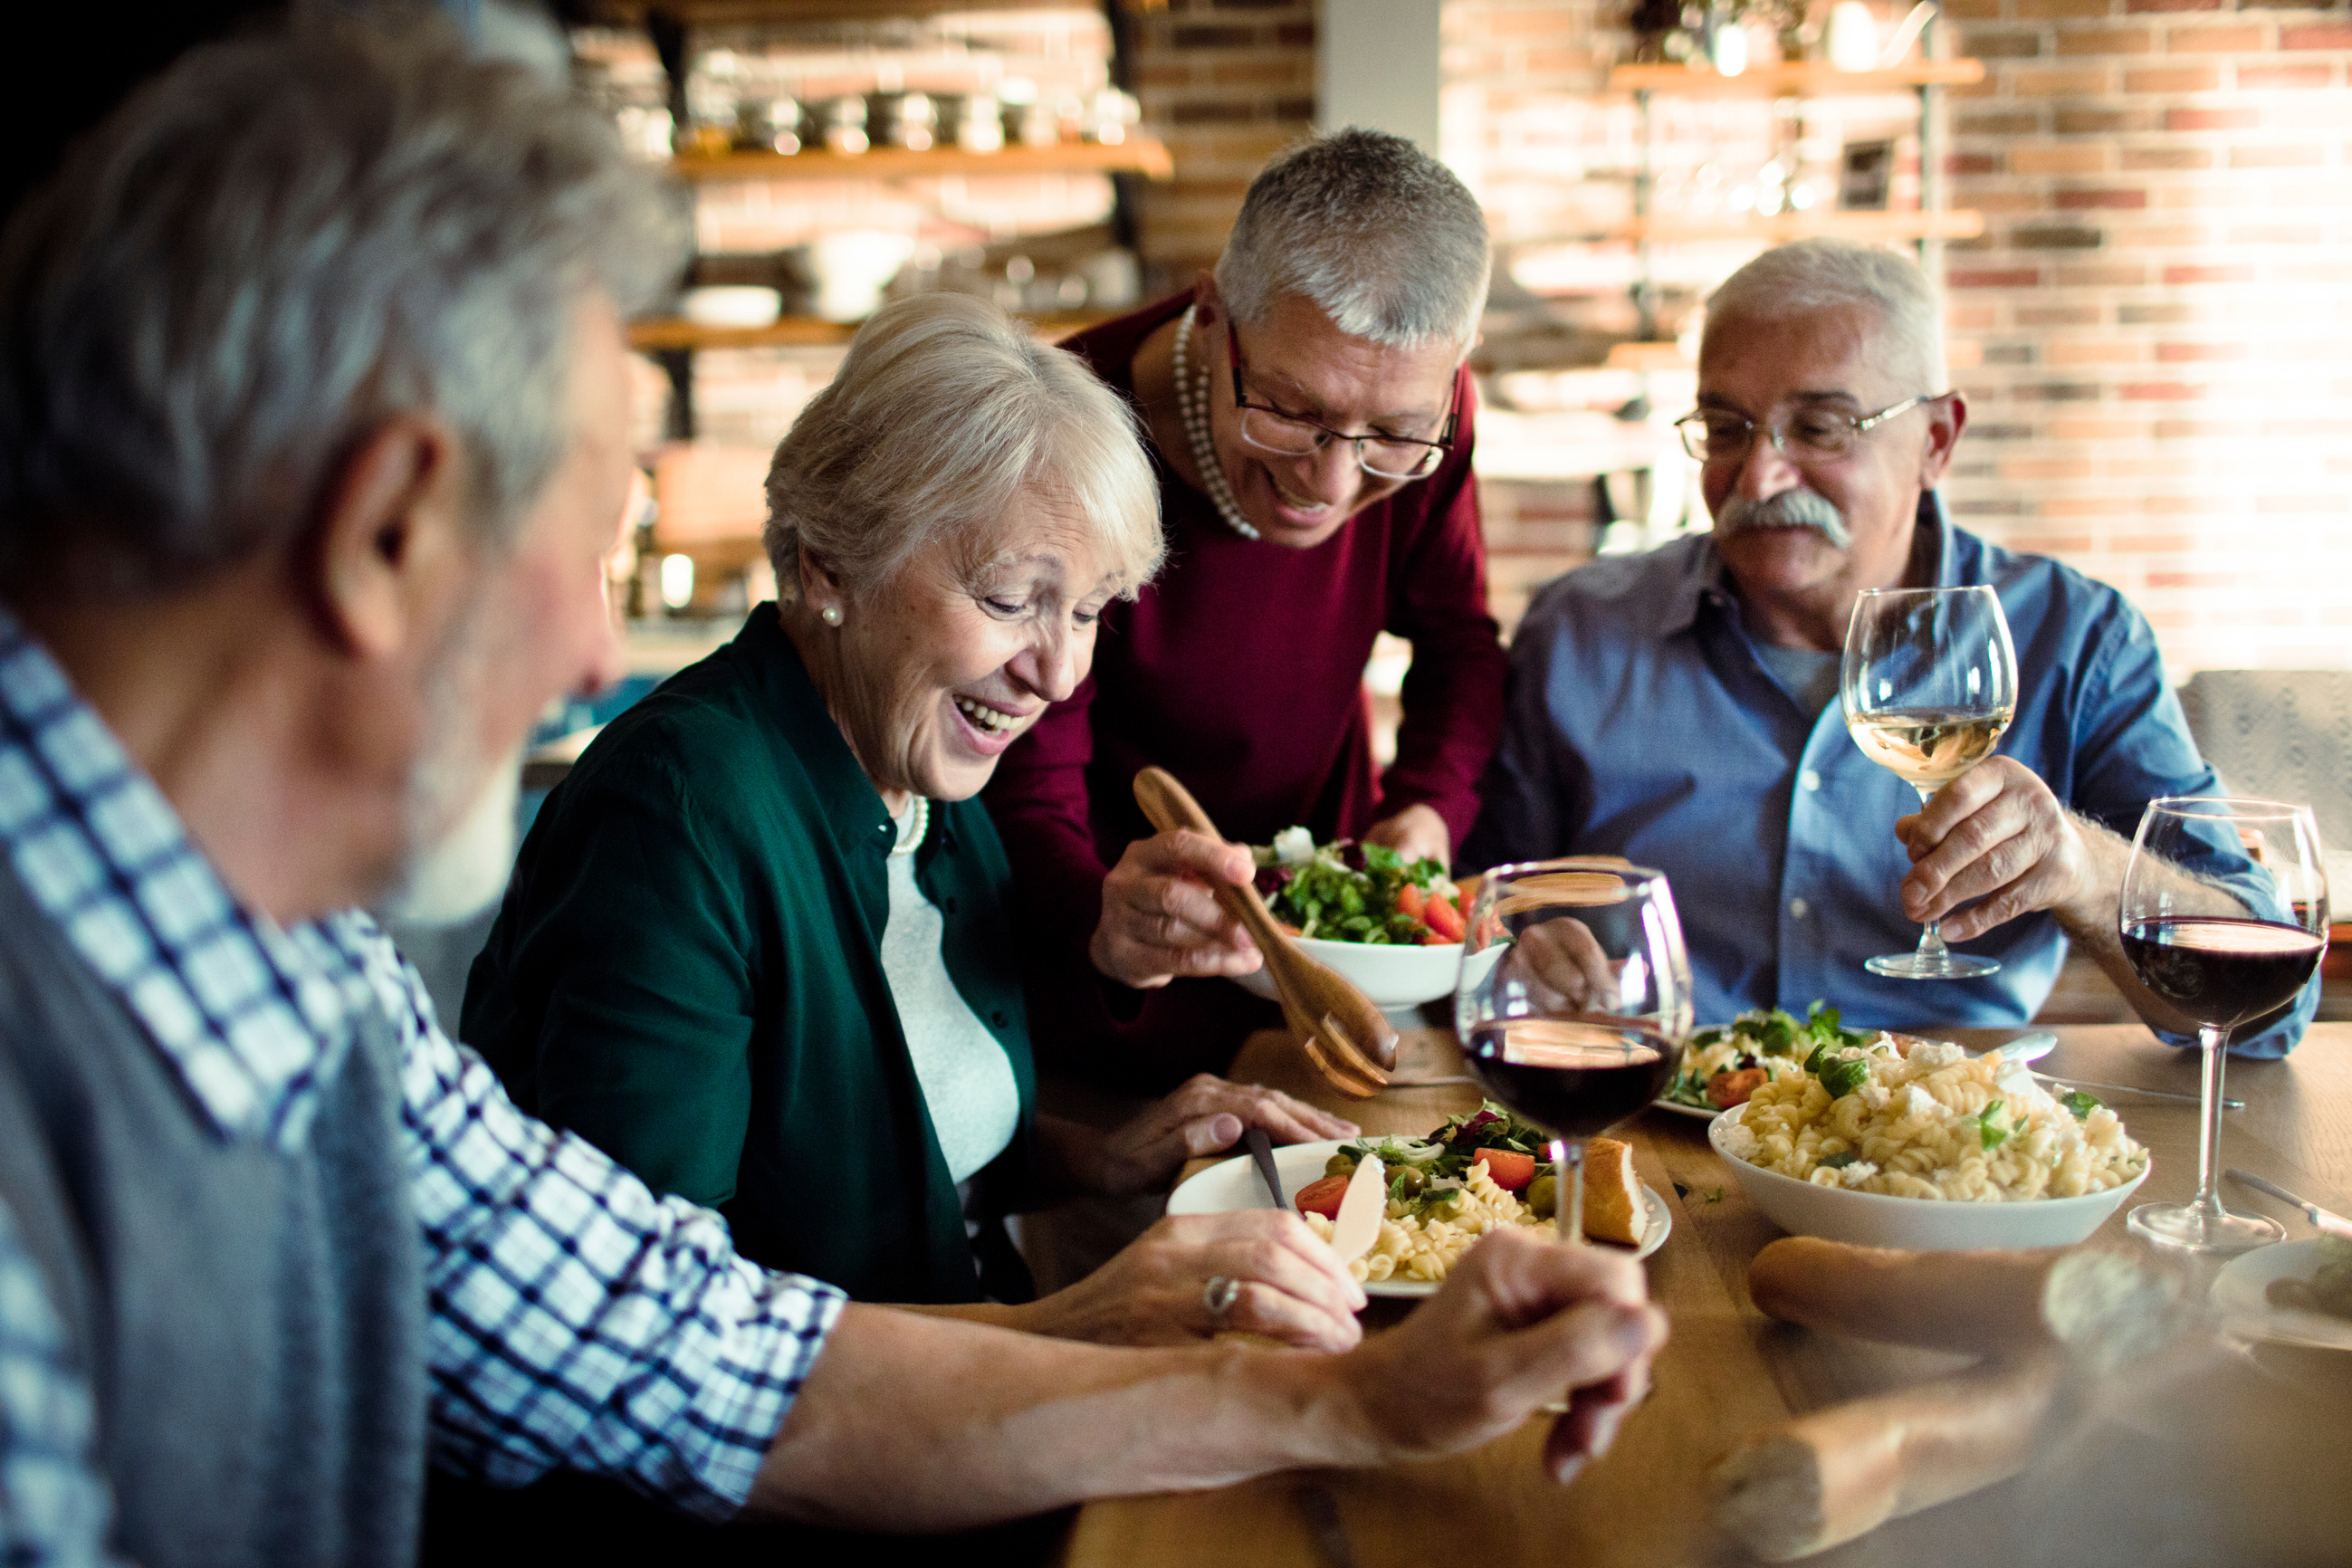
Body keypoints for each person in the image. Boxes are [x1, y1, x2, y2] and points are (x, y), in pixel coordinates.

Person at [0, 18, 1666, 1566]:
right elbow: (655, 1405)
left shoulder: (308, 967)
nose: (595, 643)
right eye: (575, 549)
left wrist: (1327, 1383)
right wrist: (1129, 1323)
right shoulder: (670, 818)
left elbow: (666, 1339)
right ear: (386, 532)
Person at [462, 292, 1368, 1349]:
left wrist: (1107, 1155)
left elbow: (902, 1137)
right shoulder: (677, 813)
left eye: (1085, 611)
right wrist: (1078, 1329)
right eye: (1006, 600)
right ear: (828, 563)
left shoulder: (924, 775)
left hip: (956, 1405)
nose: (1058, 672)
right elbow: (644, 1333)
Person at [1464, 238, 2315, 1055]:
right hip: (1647, 1140)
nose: (1759, 477)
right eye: (1728, 427)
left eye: (1823, 427)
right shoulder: (1578, 635)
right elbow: (1465, 920)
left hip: (1947, 1155)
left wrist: (2086, 869)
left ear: (1937, 441)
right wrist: (1515, 954)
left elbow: (2270, 1009)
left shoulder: (2076, 639)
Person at [983, 129, 1509, 1095]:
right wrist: (1102, 915)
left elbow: (1460, 645)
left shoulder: (1431, 410)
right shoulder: (1063, 437)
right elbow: (1025, 773)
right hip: (1102, 995)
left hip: (1333, 989)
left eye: (1394, 435)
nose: (1333, 481)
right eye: (1288, 411)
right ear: (1215, 313)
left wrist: (1430, 804)